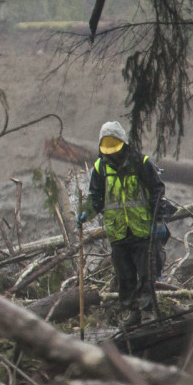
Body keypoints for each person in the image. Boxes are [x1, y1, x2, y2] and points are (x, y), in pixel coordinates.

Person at [76, 120, 165, 329]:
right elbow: (95, 199)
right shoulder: (100, 168)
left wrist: (158, 219)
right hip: (118, 232)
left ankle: (148, 311)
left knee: (146, 274)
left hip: (141, 229)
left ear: (123, 143)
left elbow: (157, 191)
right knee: (125, 276)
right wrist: (85, 213)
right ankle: (132, 312)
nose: (111, 154)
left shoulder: (141, 163)